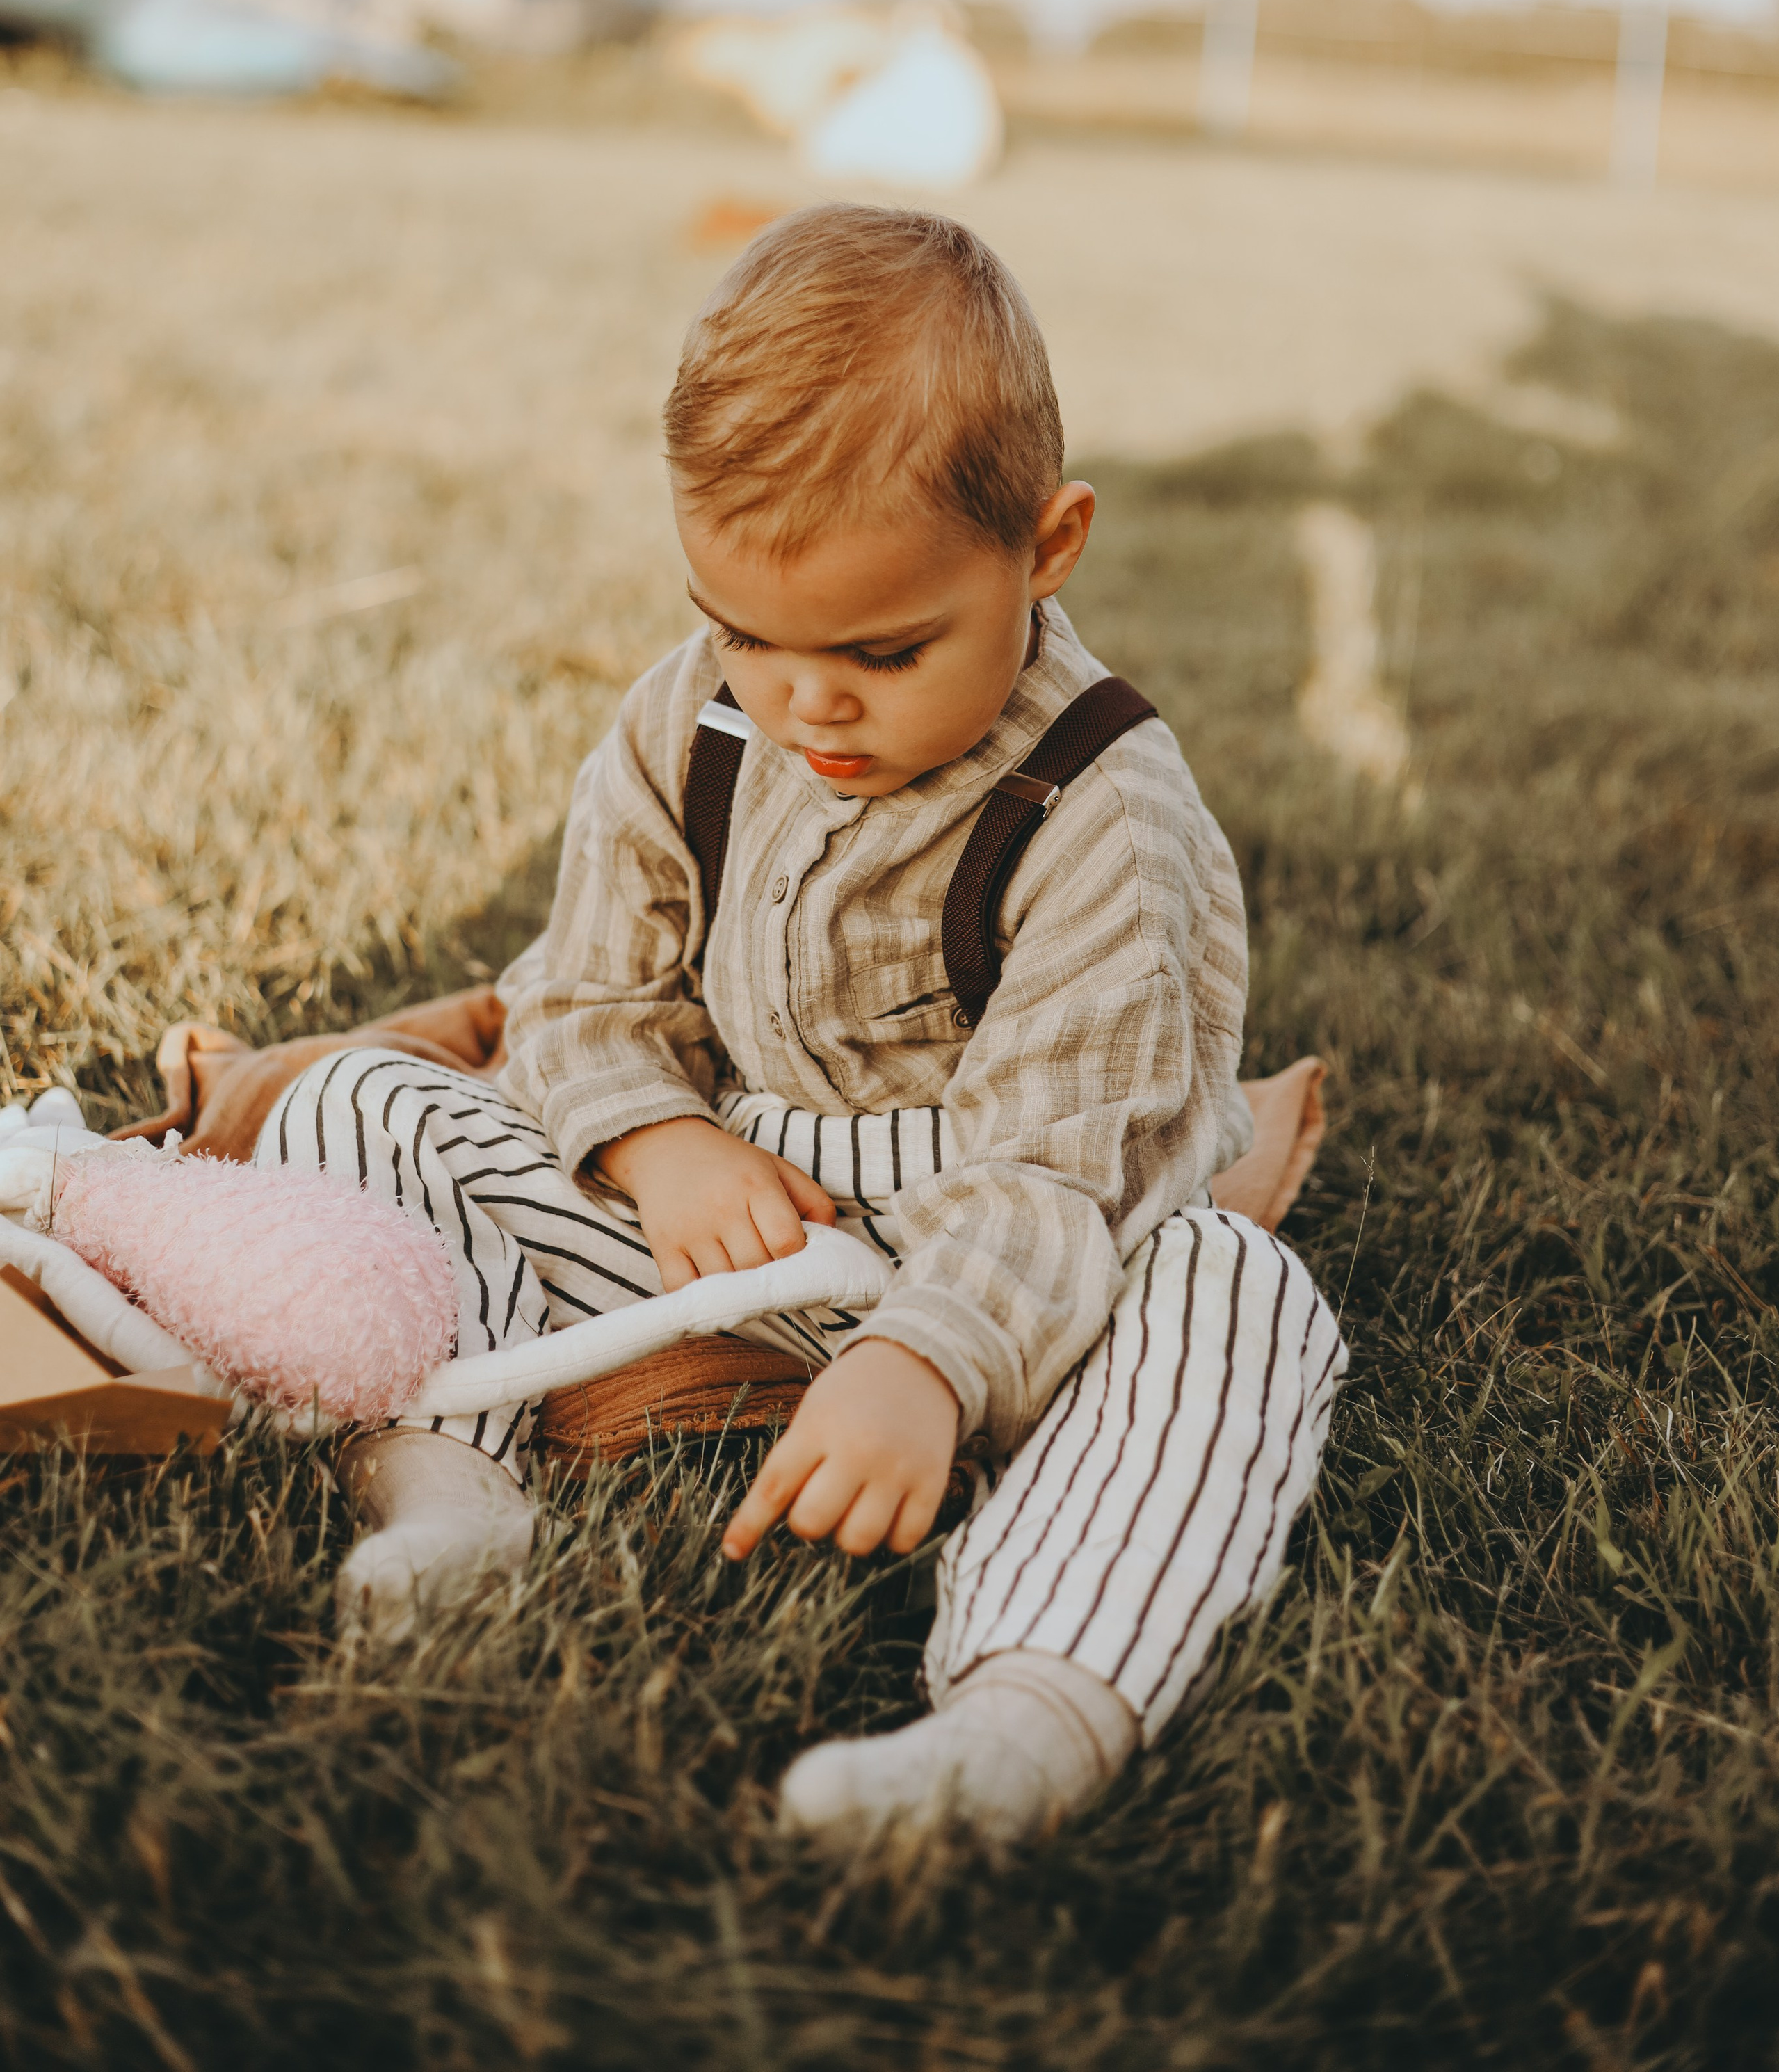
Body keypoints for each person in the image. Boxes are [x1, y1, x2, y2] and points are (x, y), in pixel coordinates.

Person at [239, 204, 1346, 1845]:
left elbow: (1062, 1174)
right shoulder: (689, 722)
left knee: (1231, 1294)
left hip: (1015, 1282)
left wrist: (924, 1360)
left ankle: (1024, 1713)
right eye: (744, 630)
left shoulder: (1101, 813)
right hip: (728, 1232)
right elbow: (579, 996)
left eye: (883, 650)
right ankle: (447, 1486)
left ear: (1045, 549)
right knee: (357, 1104)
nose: (801, 699)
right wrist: (658, 1143)